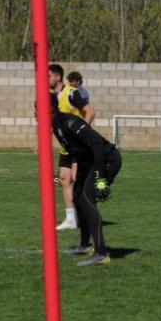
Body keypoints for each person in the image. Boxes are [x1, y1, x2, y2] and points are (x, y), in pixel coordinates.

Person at [50, 91, 122, 266]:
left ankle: (101, 253)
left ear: (49, 108)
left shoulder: (67, 121)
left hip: (106, 159)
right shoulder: (56, 124)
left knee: (87, 198)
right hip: (87, 162)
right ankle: (84, 246)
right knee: (76, 196)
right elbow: (77, 149)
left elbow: (96, 144)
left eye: (38, 108)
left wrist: (101, 177)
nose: (35, 113)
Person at [48, 64, 93, 232]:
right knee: (64, 180)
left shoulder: (71, 94)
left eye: (48, 76)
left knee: (78, 182)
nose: (46, 80)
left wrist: (81, 133)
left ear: (58, 77)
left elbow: (90, 112)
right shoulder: (53, 98)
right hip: (67, 146)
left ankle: (87, 216)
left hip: (79, 147)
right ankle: (70, 219)